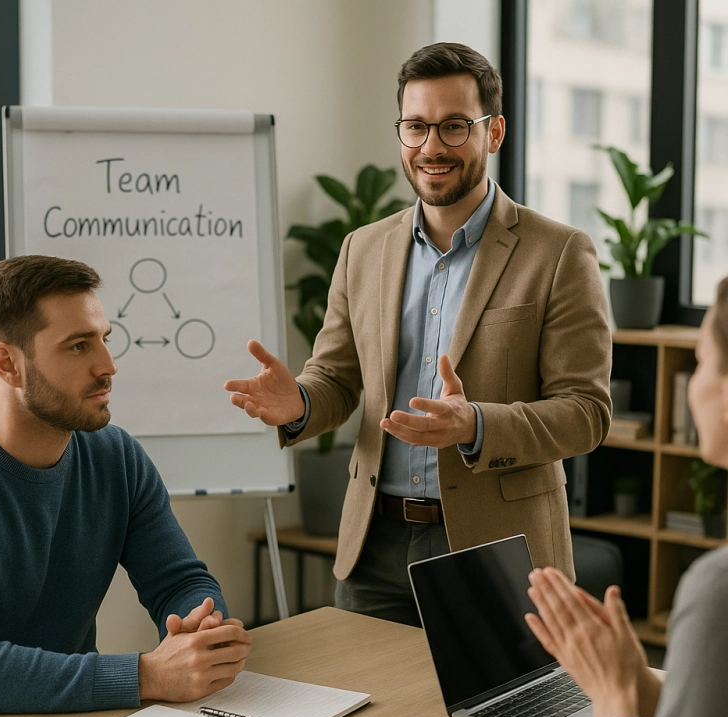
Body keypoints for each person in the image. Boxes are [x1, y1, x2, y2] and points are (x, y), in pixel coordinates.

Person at [225, 42, 612, 626]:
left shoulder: (558, 253)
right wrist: (298, 403)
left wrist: (476, 424)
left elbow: (586, 412)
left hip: (498, 548)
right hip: (374, 546)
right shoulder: (363, 248)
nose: (432, 147)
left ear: (494, 131)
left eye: (455, 127)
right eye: (416, 127)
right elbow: (337, 377)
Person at [0, 255, 251, 717]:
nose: (108, 366)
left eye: (104, 339)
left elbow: (179, 582)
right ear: (8, 365)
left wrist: (203, 628)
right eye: (78, 347)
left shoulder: (115, 455)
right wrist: (147, 675)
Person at [525, 280, 728, 717]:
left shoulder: (718, 589)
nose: (692, 384)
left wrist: (611, 700)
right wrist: (639, 683)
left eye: (701, 362)